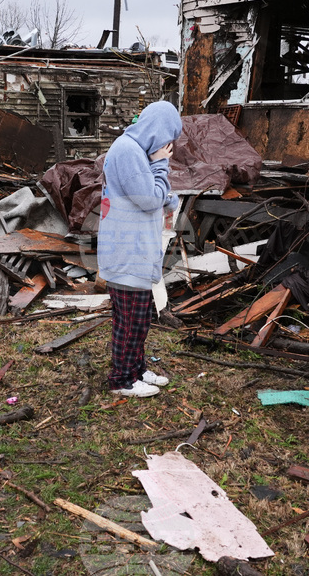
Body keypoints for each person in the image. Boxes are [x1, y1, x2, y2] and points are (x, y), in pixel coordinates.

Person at [98, 101, 182, 398]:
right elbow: (147, 198)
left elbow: (146, 193)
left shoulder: (134, 150)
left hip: (134, 249)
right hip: (126, 251)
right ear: (158, 131)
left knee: (140, 316)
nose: (169, 147)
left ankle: (136, 368)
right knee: (130, 321)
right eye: (169, 138)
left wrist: (166, 196)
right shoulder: (129, 151)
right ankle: (121, 379)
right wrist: (160, 164)